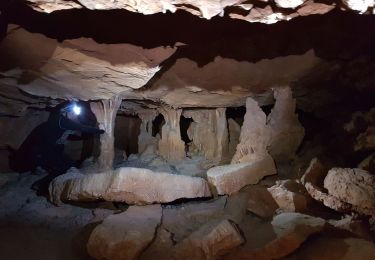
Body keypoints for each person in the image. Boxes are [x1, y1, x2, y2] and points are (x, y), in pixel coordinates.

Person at [8, 101, 104, 195]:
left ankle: (41, 182)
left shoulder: (61, 125)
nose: (75, 115)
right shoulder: (61, 120)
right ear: (64, 112)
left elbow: (70, 136)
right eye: (72, 112)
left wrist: (86, 135)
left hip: (48, 153)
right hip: (43, 153)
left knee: (69, 164)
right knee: (63, 168)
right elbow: (82, 128)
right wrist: (102, 131)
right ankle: (41, 186)